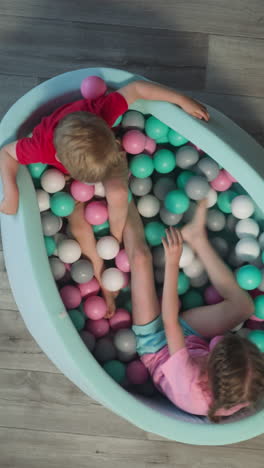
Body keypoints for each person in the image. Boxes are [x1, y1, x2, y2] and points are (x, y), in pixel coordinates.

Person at [0, 79, 209, 315]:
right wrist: (12, 192)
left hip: (106, 157)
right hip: (68, 177)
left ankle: (115, 239)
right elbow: (6, 154)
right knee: (79, 225)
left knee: (119, 192)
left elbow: (138, 88)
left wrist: (181, 100)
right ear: (58, 157)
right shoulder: (40, 146)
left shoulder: (101, 110)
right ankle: (101, 277)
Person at [123, 199, 264, 421]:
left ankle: (123, 194)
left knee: (141, 258)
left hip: (156, 344)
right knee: (244, 307)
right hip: (190, 339)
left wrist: (172, 261)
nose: (218, 341)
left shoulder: (186, 377)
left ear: (210, 370)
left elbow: (169, 322)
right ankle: (196, 238)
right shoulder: (245, 390)